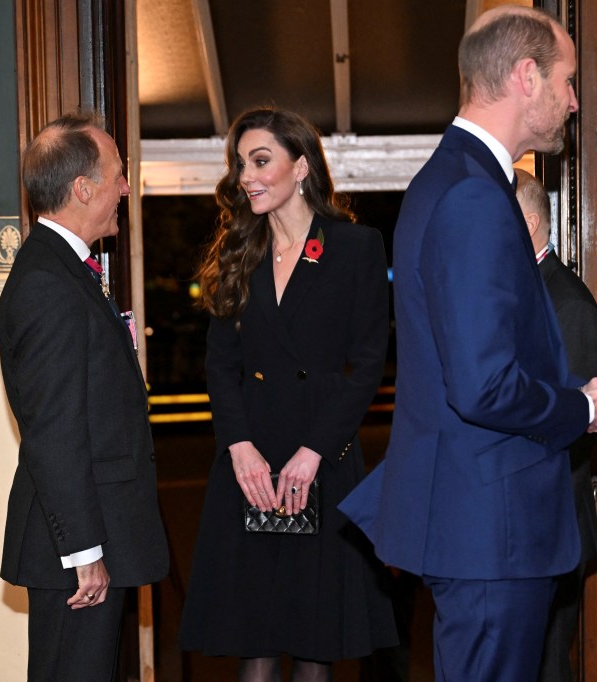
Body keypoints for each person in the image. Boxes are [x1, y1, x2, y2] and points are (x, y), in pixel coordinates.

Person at [339, 6, 597, 681]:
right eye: (567, 80)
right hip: (491, 531)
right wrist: (584, 412)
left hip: (478, 524)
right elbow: (482, 385)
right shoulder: (474, 195)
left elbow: (478, 363)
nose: (574, 100)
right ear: (526, 76)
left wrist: (574, 392)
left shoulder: (454, 179)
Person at [179, 107, 397, 681]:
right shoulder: (238, 252)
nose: (247, 176)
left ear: (300, 166)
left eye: (260, 161)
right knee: (255, 642)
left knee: (313, 646)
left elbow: (368, 364)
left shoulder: (355, 247)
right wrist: (239, 447)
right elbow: (220, 366)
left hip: (321, 460)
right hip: (249, 467)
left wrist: (313, 451)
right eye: (241, 164)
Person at [0, 112, 169, 681]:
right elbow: (55, 430)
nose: (125, 186)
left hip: (90, 539)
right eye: (118, 174)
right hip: (75, 552)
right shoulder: (49, 282)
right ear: (82, 189)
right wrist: (85, 554)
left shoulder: (65, 270)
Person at [514, 168, 597, 682]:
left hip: (549, 527)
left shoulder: (566, 303)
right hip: (519, 528)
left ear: (528, 223)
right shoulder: (518, 292)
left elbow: (573, 424)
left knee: (547, 667)